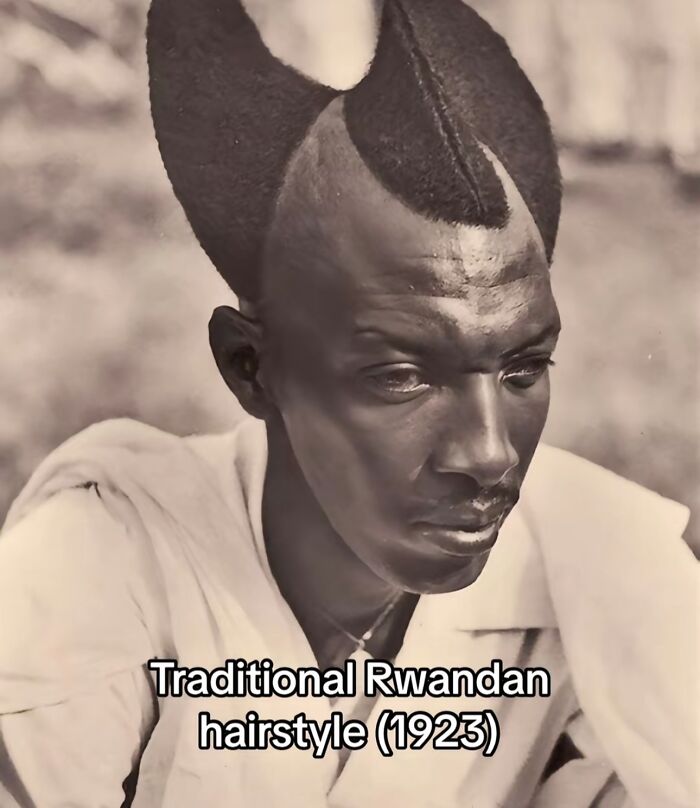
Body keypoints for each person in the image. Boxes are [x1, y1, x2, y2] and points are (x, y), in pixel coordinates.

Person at [0, 1, 697, 806]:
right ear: (251, 366)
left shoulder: (598, 570)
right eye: (401, 375)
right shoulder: (107, 560)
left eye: (522, 367)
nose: (489, 454)